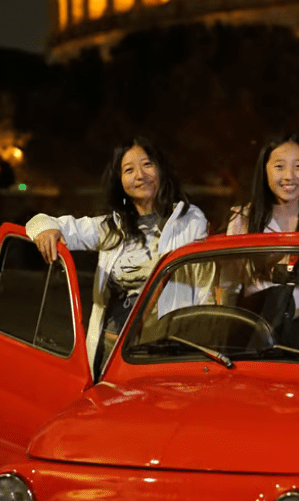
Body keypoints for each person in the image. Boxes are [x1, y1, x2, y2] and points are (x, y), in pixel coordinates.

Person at [26, 137, 208, 376]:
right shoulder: (112, 226)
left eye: (147, 164)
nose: (140, 175)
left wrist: (203, 350)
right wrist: (45, 229)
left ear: (161, 169)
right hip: (110, 352)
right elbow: (44, 222)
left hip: (163, 352)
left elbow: (205, 285)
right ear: (120, 181)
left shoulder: (190, 220)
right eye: (129, 170)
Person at [224, 134, 299, 350]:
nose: (289, 176)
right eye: (279, 167)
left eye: (298, 167)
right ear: (264, 171)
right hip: (254, 330)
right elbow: (228, 287)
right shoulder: (243, 220)